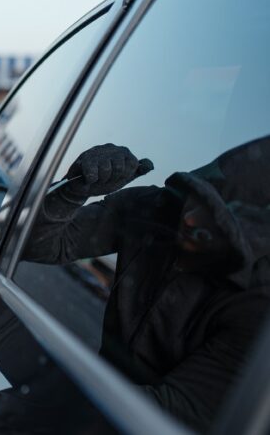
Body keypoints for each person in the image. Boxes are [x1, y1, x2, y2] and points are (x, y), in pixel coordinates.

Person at [23, 138, 270, 430]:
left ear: (252, 239)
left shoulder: (257, 311)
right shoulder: (157, 210)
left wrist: (49, 399)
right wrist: (72, 190)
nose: (190, 219)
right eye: (201, 196)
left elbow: (167, 414)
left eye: (218, 221)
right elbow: (39, 245)